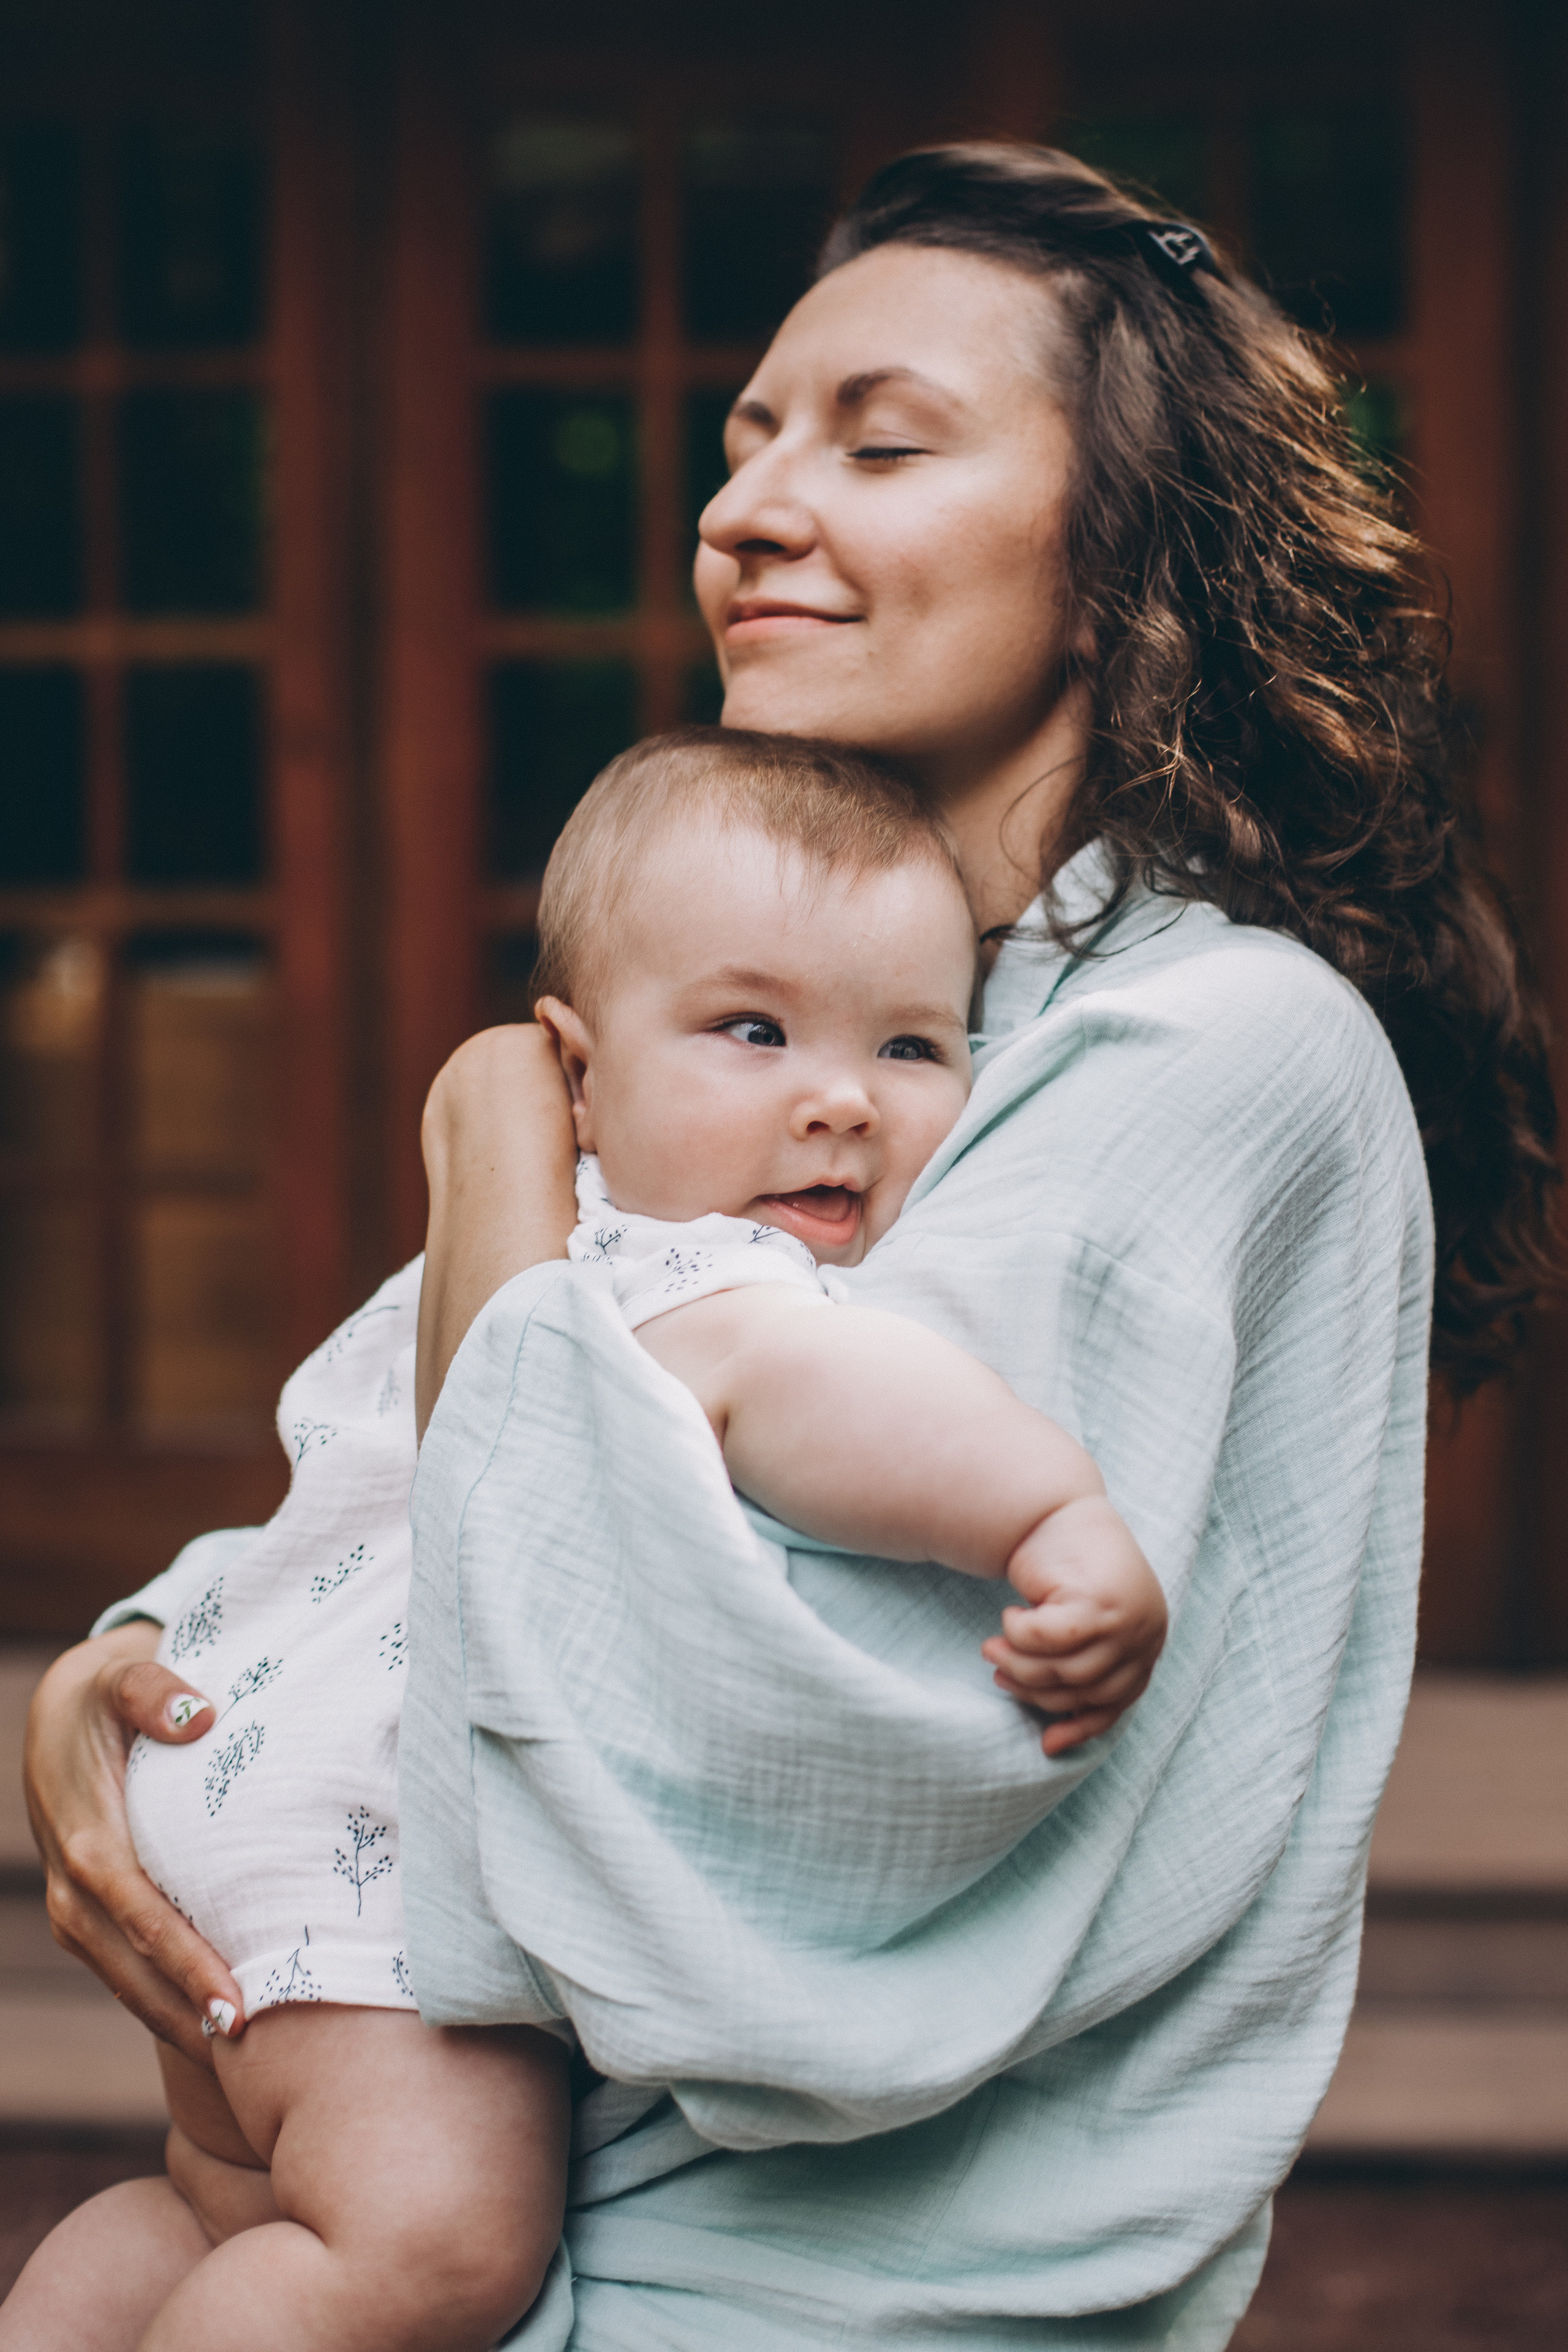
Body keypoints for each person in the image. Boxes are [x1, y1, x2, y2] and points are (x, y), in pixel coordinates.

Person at [26, 143, 1557, 2350]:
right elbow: (407, 1513)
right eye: (744, 438)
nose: (743, 506)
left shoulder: (1208, 1043)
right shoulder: (864, 1035)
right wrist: (155, 1674)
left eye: (880, 437)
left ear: (1124, 551)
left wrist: (487, 1153)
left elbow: (766, 1746)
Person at [2, 732, 1165, 2352]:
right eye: (753, 1030)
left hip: (231, 1806)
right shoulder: (674, 1282)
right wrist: (1062, 1518)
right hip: (384, 1884)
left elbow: (302, 1498)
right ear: (578, 1073)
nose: (838, 1098)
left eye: (912, 1044)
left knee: (215, 2206)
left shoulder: (461, 1264)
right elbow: (840, 1400)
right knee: (429, 2254)